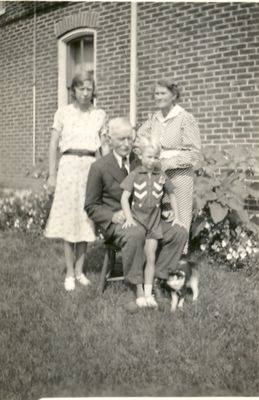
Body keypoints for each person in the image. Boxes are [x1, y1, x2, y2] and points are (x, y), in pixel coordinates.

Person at [84, 117, 188, 308]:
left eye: (129, 139)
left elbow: (156, 186)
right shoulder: (98, 167)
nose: (126, 144)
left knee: (179, 232)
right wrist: (112, 216)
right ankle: (137, 288)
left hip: (149, 218)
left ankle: (158, 279)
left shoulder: (141, 159)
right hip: (119, 222)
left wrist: (167, 210)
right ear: (109, 140)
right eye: (121, 139)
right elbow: (91, 206)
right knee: (136, 233)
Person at [45, 71, 108, 291]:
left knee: (85, 218)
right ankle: (69, 273)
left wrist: (107, 176)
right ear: (73, 90)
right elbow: (54, 144)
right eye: (80, 88)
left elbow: (104, 148)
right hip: (69, 166)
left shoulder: (99, 115)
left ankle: (80, 271)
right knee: (68, 218)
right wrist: (52, 174)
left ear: (93, 91)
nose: (85, 93)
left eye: (89, 89)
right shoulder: (63, 113)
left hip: (90, 168)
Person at [136, 79, 201, 252]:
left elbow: (194, 153)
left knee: (179, 215)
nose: (158, 97)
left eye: (162, 93)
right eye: (156, 93)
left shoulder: (185, 118)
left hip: (179, 175)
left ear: (174, 95)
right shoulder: (153, 119)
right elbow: (138, 141)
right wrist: (147, 158)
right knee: (159, 214)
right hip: (156, 174)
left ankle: (179, 261)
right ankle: (159, 259)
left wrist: (167, 163)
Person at [120, 137, 185, 308]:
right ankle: (139, 290)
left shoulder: (161, 176)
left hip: (154, 223)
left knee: (150, 257)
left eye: (156, 157)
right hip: (138, 221)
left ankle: (149, 294)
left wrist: (177, 217)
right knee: (139, 255)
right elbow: (124, 198)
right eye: (149, 157)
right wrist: (128, 218)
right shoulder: (134, 175)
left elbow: (172, 194)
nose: (152, 161)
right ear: (141, 156)